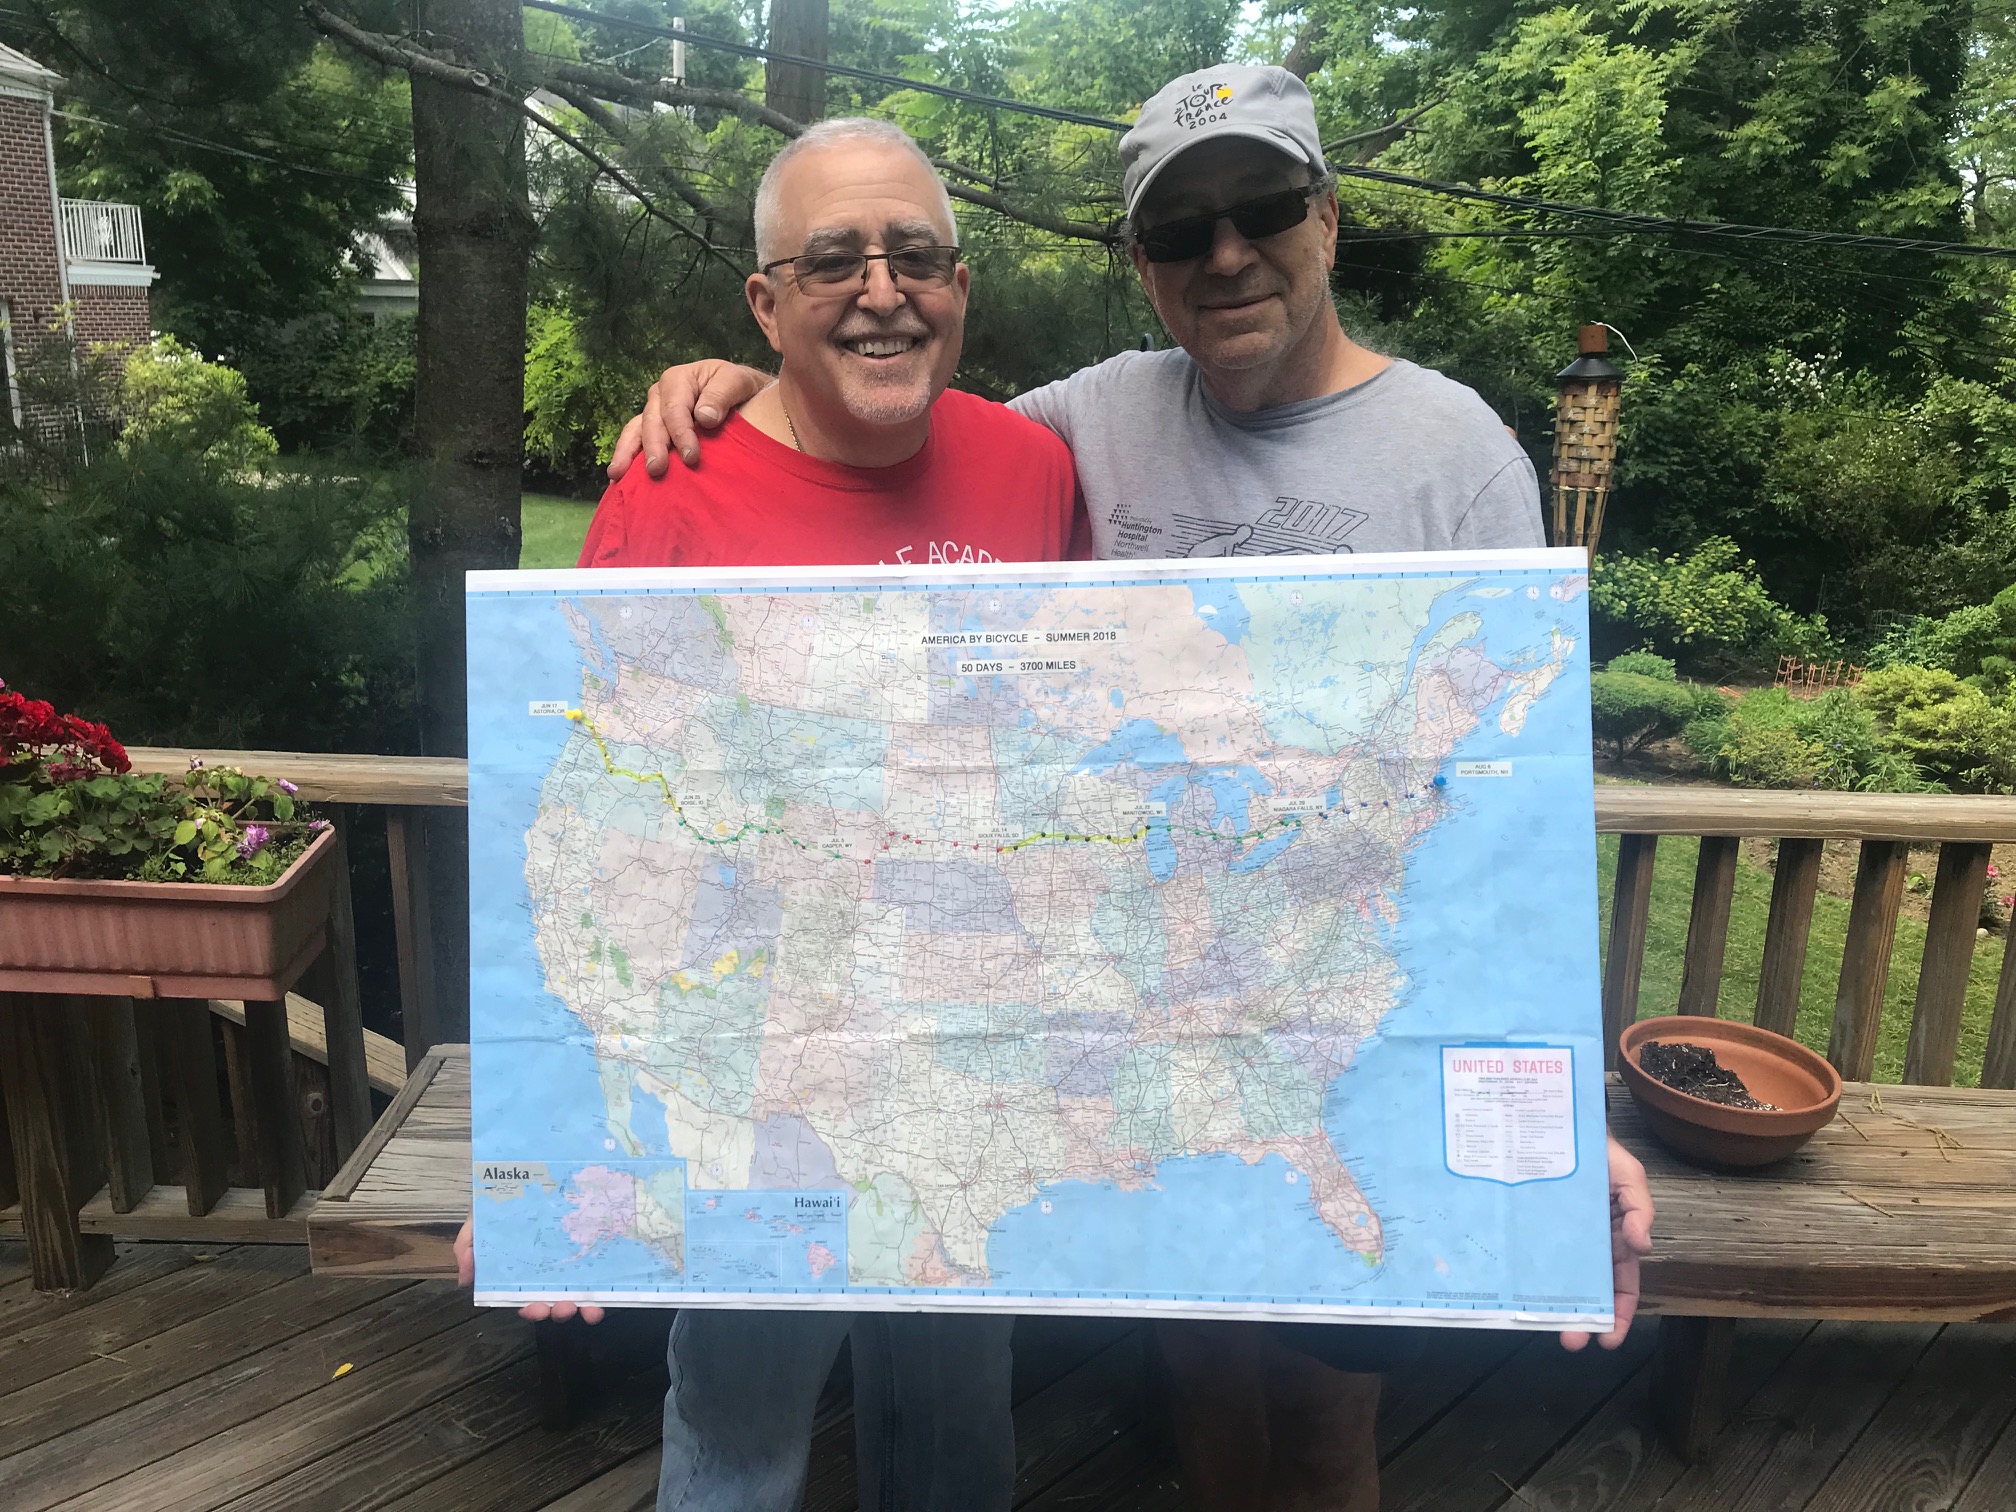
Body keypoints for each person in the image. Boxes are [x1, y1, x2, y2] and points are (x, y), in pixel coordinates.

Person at [606, 63, 1656, 1512]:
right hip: (1109, 1028)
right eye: (1178, 230)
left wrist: (1570, 1110)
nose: (1226, 254)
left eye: (1262, 208)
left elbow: (1512, 801)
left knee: (1328, 1417)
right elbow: (871, 396)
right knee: (1195, 1375)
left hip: (1343, 1014)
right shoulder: (1083, 423)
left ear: (1327, 218)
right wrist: (732, 385)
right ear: (1144, 264)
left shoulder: (1459, 452)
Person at [455, 115, 1082, 1512]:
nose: (881, 291)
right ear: (765, 301)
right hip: (748, 1070)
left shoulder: (1034, 470)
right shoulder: (668, 490)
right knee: (737, 1436)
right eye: (833, 260)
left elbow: (1079, 744)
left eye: (916, 256)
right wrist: (547, 1158)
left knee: (956, 1442)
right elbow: (586, 820)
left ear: (962, 285)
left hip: (965, 1066)